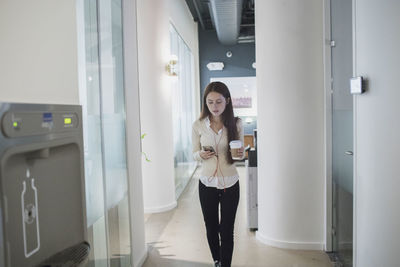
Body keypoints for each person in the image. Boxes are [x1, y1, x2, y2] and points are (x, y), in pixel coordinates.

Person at [192, 81, 244, 267]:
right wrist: (201, 154)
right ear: (205, 103)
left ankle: (226, 265)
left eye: (219, 101)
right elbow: (194, 153)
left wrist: (240, 153)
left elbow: (240, 154)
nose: (214, 106)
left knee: (226, 230)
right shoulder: (198, 125)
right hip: (207, 184)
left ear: (227, 101)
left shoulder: (236, 123)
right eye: (210, 102)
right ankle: (217, 260)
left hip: (231, 183)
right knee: (211, 228)